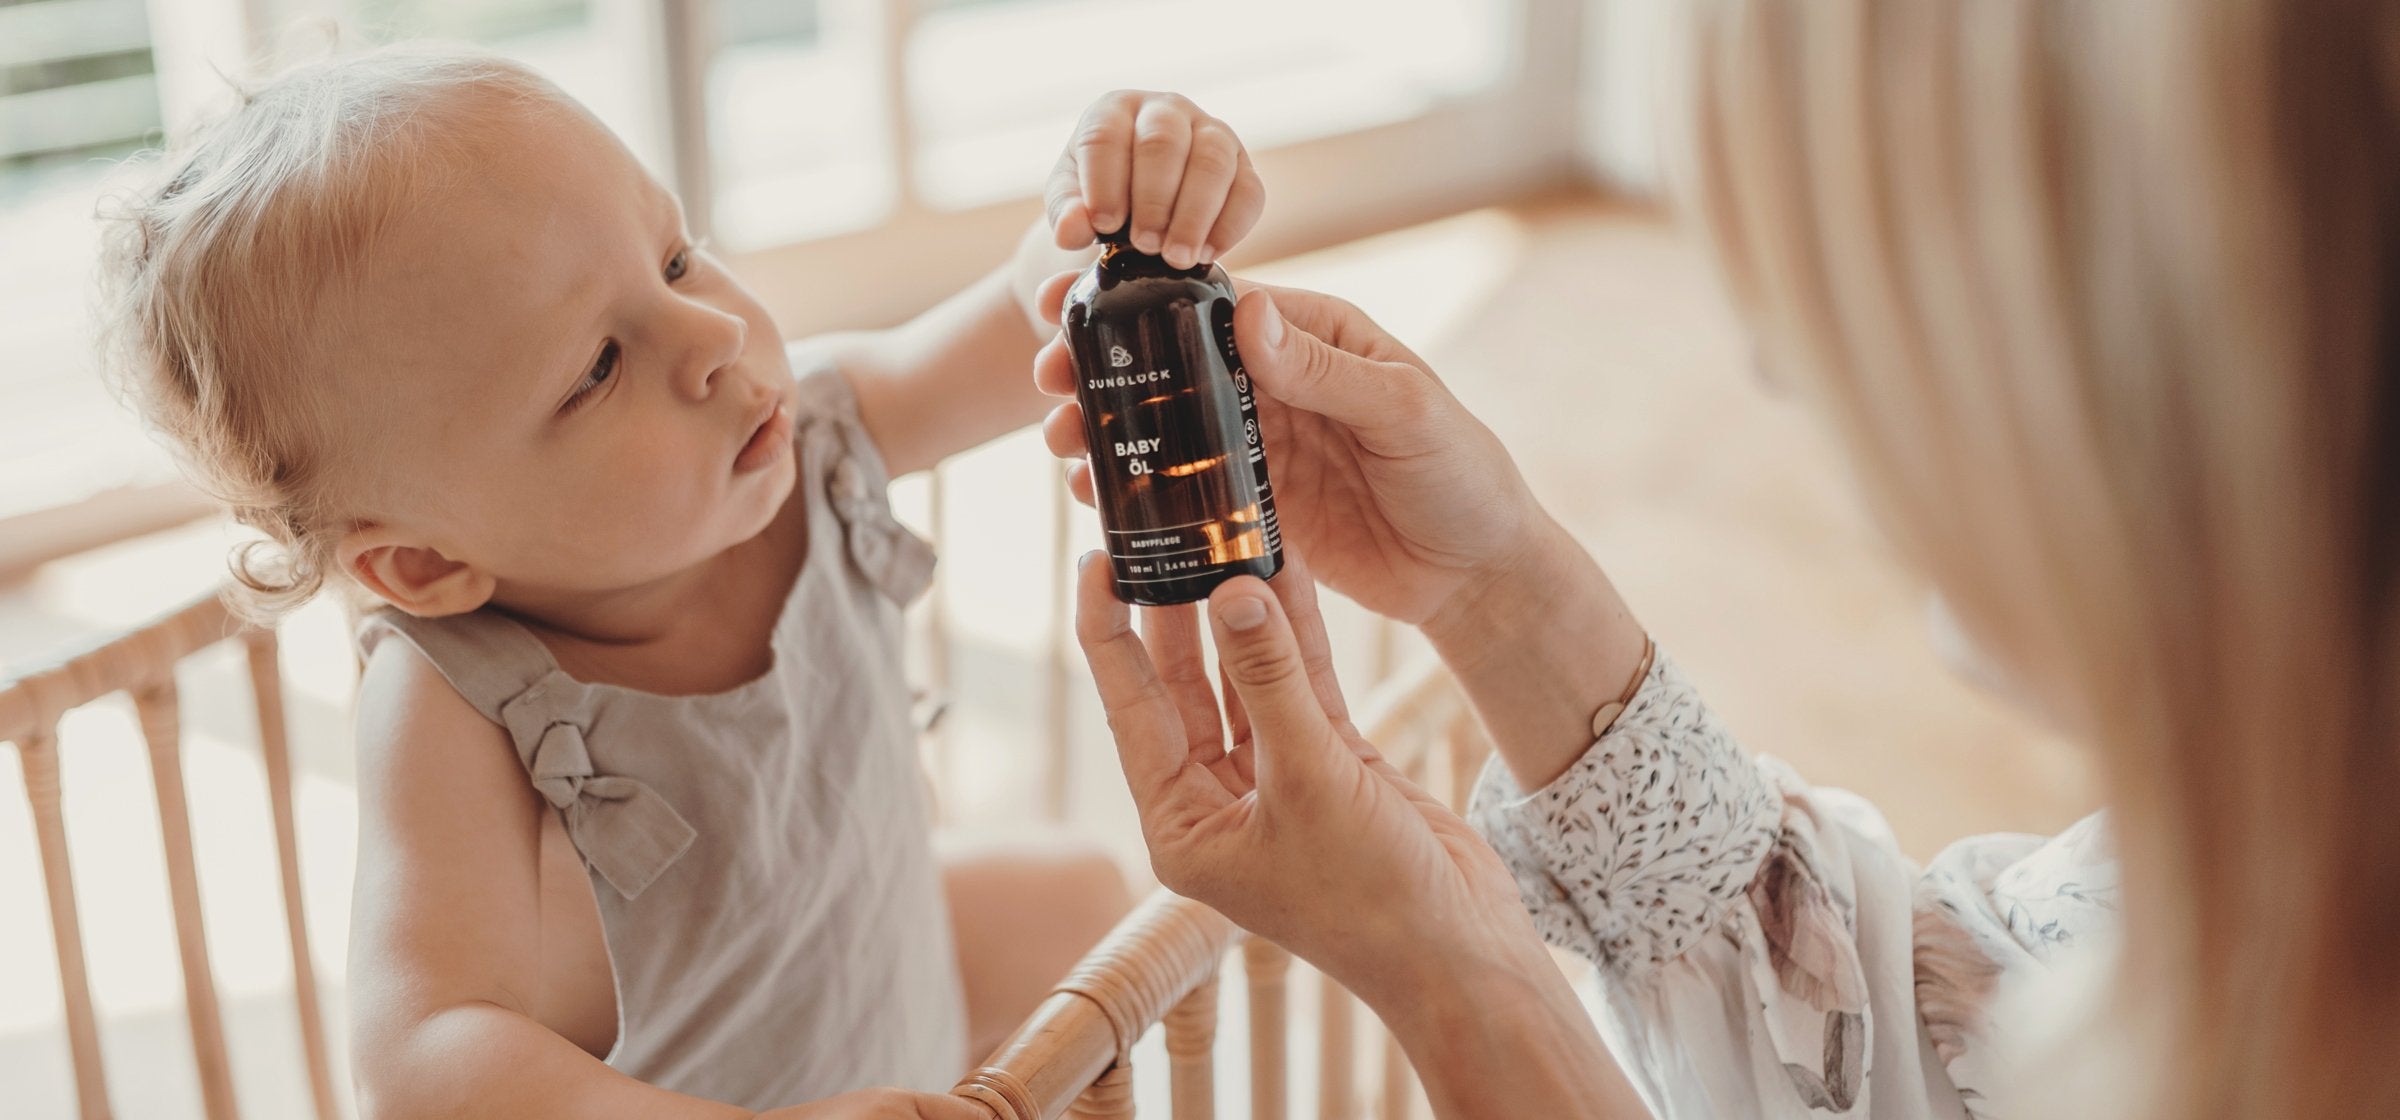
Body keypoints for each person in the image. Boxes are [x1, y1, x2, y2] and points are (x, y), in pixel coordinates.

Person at [1039, 2, 2400, 1118]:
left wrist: (1450, 979)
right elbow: (1891, 1046)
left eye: (1853, 297)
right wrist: (1489, 584)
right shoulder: (2252, 888)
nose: (1772, 371)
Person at [95, 42, 1266, 1120]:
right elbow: (426, 1054)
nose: (710, 335)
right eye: (598, 366)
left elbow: (1028, 316)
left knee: (1077, 891)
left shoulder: (810, 431)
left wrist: (1117, 200)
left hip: (882, 981)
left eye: (674, 255)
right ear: (426, 563)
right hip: (709, 1097)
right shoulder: (460, 697)